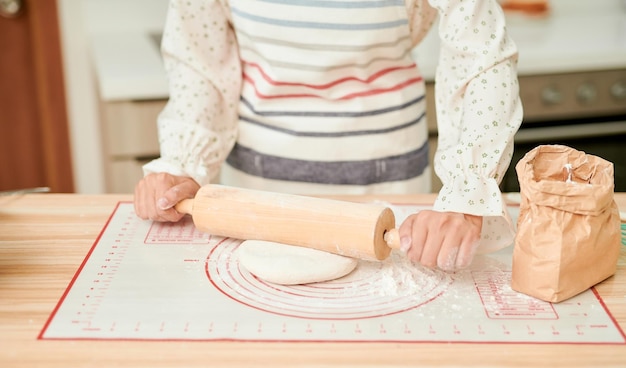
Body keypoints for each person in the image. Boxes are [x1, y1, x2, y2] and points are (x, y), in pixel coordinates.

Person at [134, 0, 523, 271]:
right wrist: (184, 161)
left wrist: (469, 191)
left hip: (391, 186)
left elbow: (481, 57)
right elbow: (199, 63)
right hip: (259, 190)